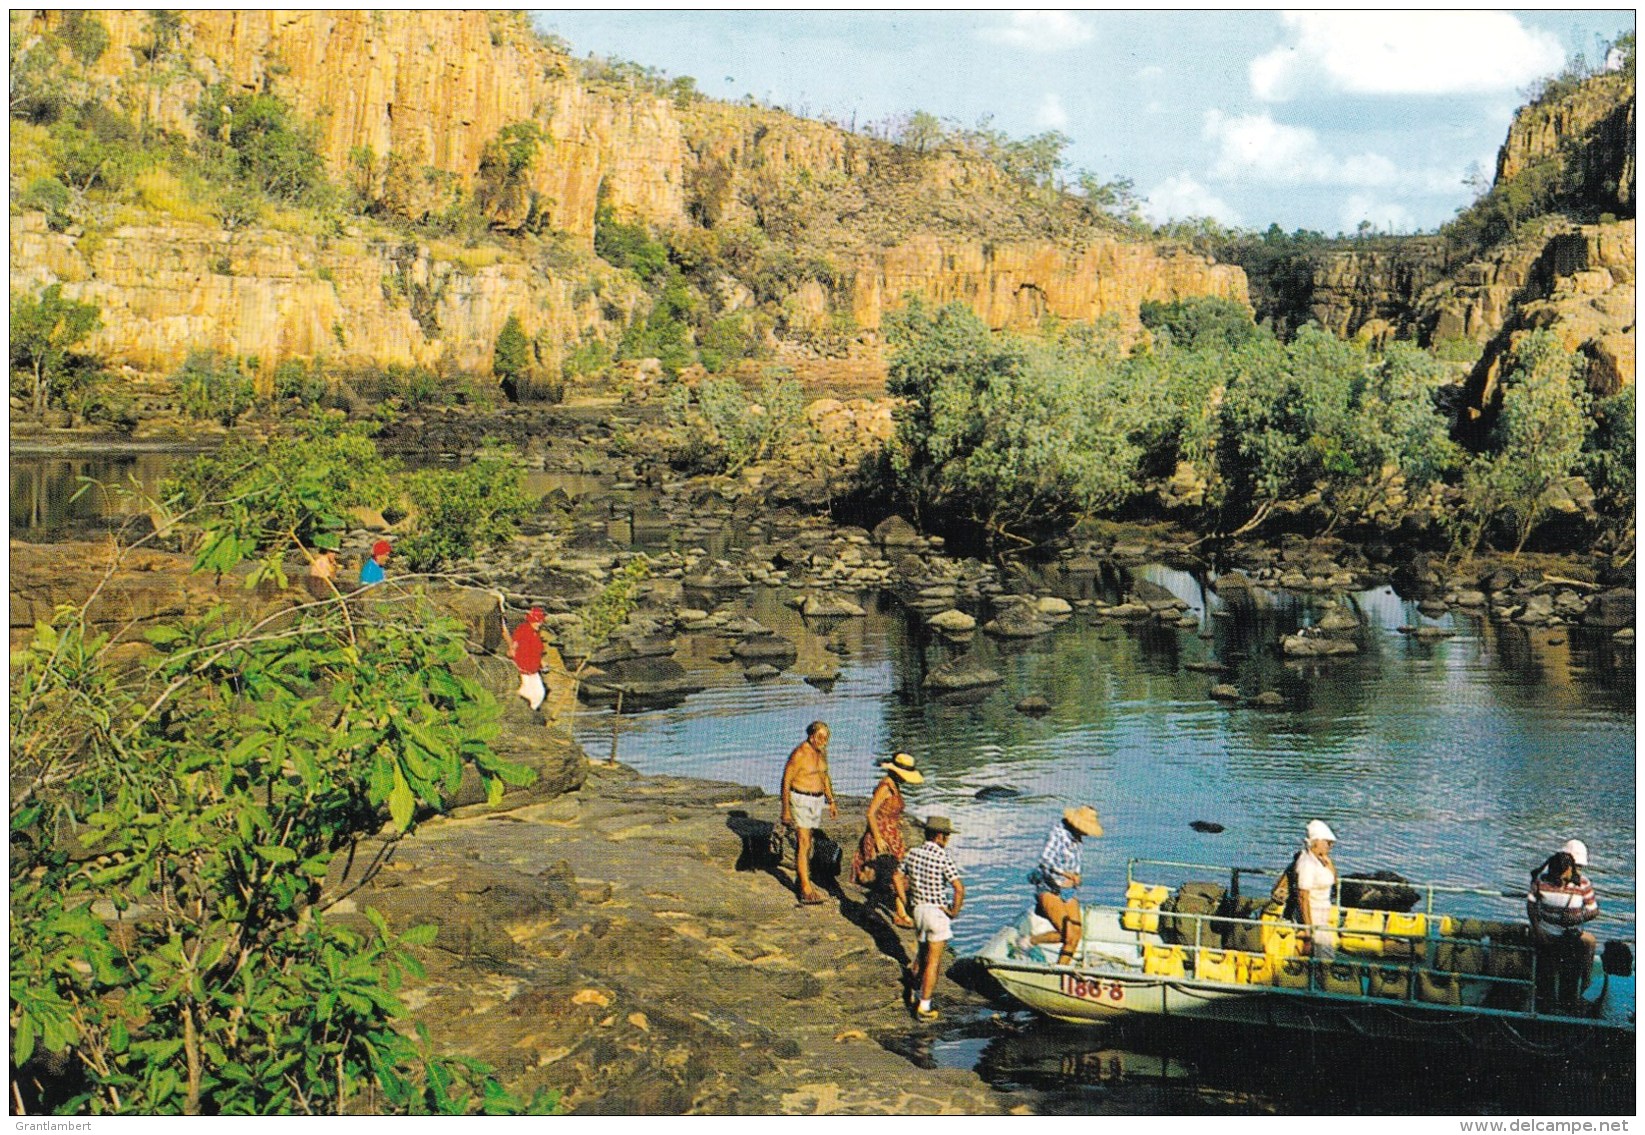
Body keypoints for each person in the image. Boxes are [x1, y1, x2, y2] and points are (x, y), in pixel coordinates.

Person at [900, 815, 964, 1022]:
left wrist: (907, 901)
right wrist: (954, 912)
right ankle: (924, 1007)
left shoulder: (913, 853)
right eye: (947, 836)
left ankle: (912, 989)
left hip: (918, 910)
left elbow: (896, 877)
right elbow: (959, 889)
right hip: (937, 913)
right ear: (940, 836)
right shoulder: (943, 858)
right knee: (933, 963)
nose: (947, 840)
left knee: (921, 952)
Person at [1023, 805, 1103, 965]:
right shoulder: (1058, 834)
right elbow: (1045, 861)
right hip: (1049, 887)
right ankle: (1033, 945)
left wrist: (1076, 877)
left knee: (1076, 934)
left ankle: (1059, 966)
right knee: (1067, 934)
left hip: (1067, 890)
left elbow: (1075, 866)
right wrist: (1066, 874)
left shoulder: (1077, 840)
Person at [851, 752, 921, 928]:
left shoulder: (894, 785)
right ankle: (898, 913)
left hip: (892, 835)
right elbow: (871, 813)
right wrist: (878, 838)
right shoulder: (886, 787)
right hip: (881, 836)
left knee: (894, 875)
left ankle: (898, 912)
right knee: (887, 876)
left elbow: (890, 810)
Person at [1527, 840, 1600, 1006]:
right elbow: (1531, 905)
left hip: (1570, 938)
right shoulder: (1541, 881)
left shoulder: (1583, 884)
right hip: (1546, 936)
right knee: (1546, 978)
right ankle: (1546, 1008)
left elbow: (1593, 910)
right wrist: (1538, 930)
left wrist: (1576, 918)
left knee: (1570, 978)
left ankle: (1569, 1003)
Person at [780, 721, 838, 905]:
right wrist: (785, 810)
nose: (824, 741)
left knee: (808, 840)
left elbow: (824, 776)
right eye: (820, 737)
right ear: (811, 735)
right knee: (804, 841)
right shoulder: (799, 754)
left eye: (826, 737)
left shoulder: (822, 752)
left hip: (816, 800)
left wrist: (831, 800)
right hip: (800, 798)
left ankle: (802, 877)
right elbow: (786, 781)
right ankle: (805, 888)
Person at [1272, 819, 1339, 962]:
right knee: (1323, 958)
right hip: (1311, 915)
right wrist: (1308, 929)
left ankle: (1317, 980)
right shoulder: (1307, 863)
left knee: (1325, 955)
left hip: (1322, 916)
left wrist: (1330, 864)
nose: (1330, 845)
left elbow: (1333, 882)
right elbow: (1303, 896)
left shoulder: (1320, 860)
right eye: (1327, 842)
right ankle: (1314, 982)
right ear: (1316, 842)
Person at [510, 606, 548, 712]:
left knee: (539, 693)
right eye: (537, 621)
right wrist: (513, 650)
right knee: (525, 694)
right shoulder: (522, 629)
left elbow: (537, 651)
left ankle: (530, 714)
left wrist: (541, 662)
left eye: (540, 621)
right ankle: (524, 715)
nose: (539, 624)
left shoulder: (536, 633)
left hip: (533, 670)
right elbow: (515, 645)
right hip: (523, 669)